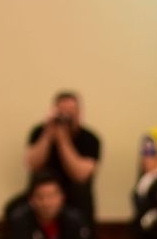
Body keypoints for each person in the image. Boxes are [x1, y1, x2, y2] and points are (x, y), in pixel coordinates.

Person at [24, 91, 101, 224]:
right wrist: (48, 134)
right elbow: (32, 164)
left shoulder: (90, 139)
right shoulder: (40, 132)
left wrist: (62, 140)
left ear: (79, 113)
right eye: (62, 112)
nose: (66, 117)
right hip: (42, 196)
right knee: (15, 209)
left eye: (71, 112)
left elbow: (80, 174)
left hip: (75, 198)